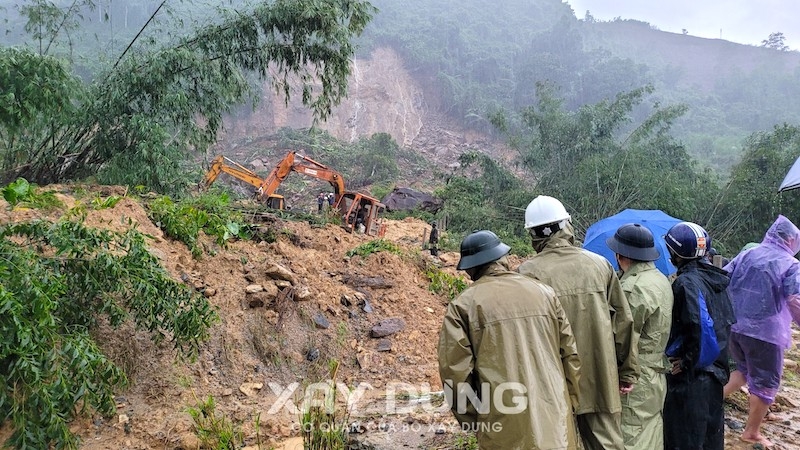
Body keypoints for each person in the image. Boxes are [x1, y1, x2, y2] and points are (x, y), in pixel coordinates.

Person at [438, 230, 581, 449]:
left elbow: (455, 375)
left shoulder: (463, 306)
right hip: (556, 422)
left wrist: (476, 423)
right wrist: (568, 405)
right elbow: (570, 356)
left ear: (470, 268)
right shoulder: (545, 293)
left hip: (502, 426)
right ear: (503, 257)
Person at [517, 195, 638, 450]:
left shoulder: (526, 274)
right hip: (599, 374)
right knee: (607, 444)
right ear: (566, 225)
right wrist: (627, 372)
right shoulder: (600, 265)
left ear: (533, 234)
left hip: (551, 379)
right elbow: (623, 324)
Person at [722, 215, 800, 447]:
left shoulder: (749, 253)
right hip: (766, 332)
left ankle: (712, 399)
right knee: (767, 381)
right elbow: (794, 298)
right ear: (789, 240)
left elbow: (723, 277)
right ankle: (751, 432)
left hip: (735, 326)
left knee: (745, 370)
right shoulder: (790, 264)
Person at [662, 222, 736, 450]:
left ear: (675, 253)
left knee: (684, 440)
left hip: (693, 378)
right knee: (710, 440)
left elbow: (700, 326)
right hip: (717, 373)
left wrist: (687, 361)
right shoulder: (716, 279)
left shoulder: (686, 283)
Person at [605, 223, 673, 450]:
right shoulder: (660, 279)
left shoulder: (632, 289)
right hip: (655, 373)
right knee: (651, 432)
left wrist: (625, 375)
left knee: (630, 436)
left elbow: (622, 338)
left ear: (620, 254)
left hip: (635, 377)